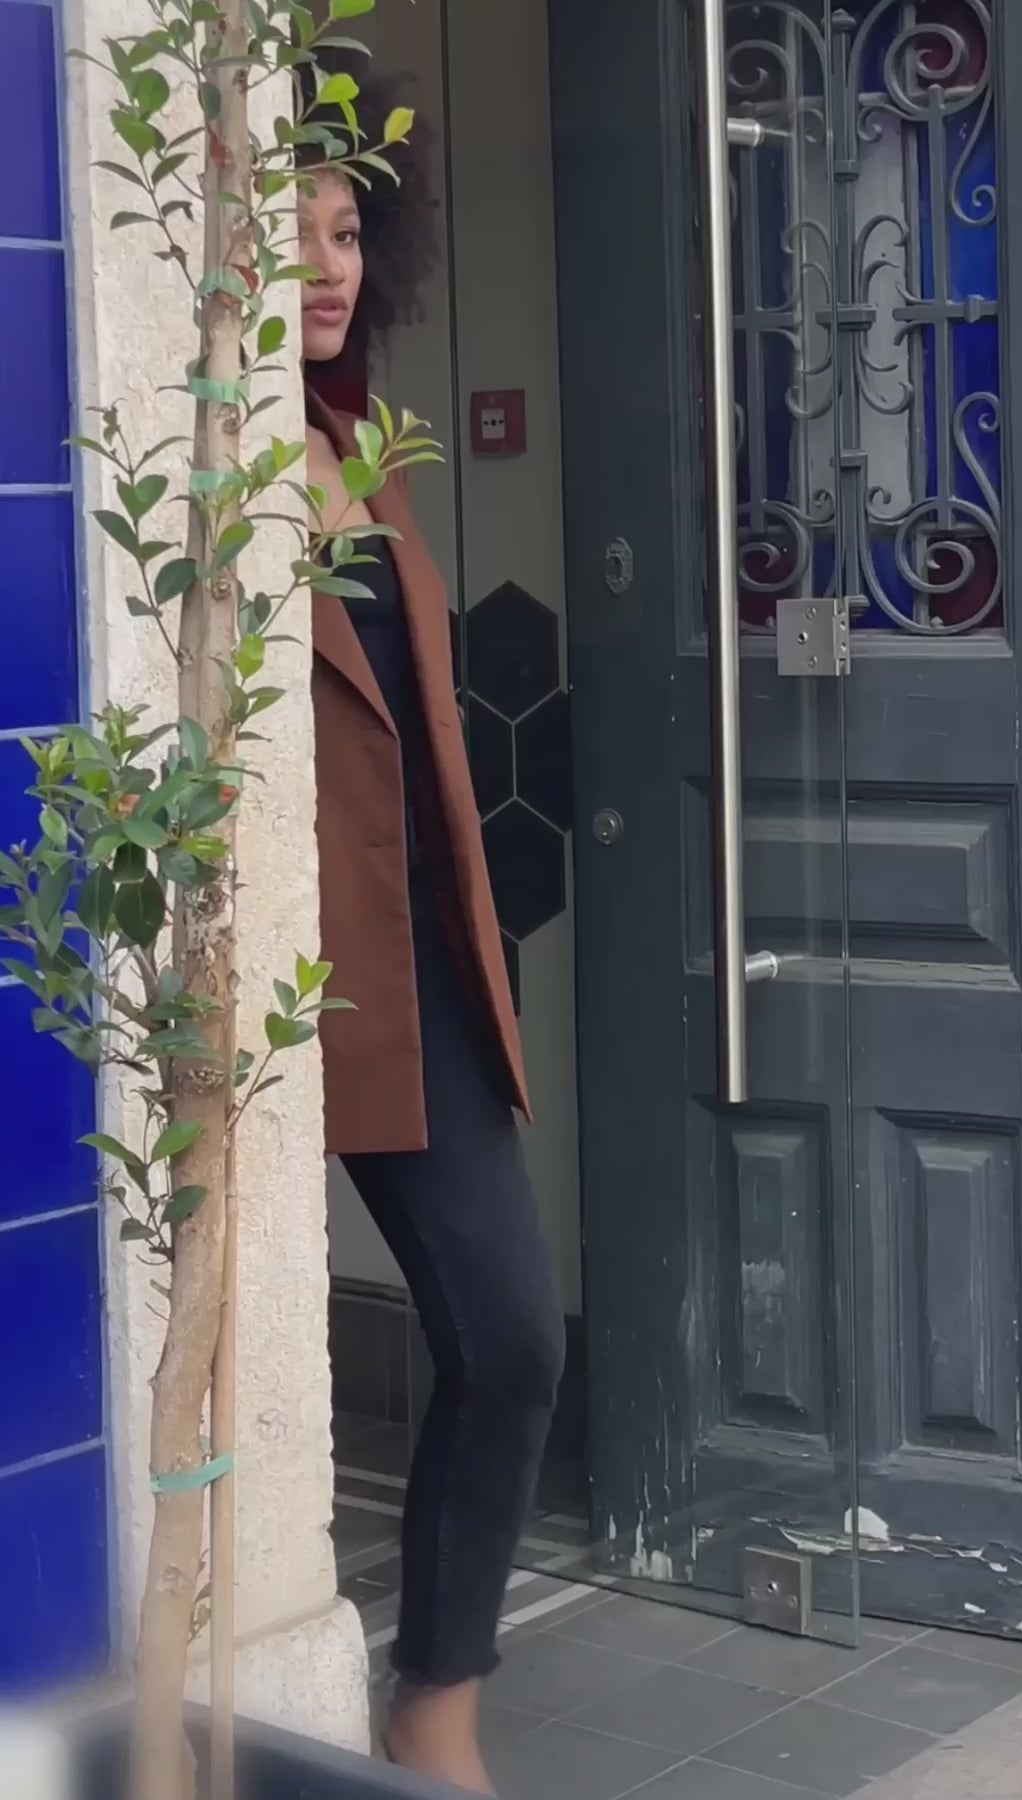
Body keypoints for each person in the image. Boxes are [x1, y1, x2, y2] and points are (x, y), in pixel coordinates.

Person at [299, 78, 564, 1796]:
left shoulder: (358, 444)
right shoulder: (205, 466)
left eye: (346, 233)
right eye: (292, 238)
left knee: (515, 1334)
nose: (327, 267)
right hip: (273, 979)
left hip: (418, 971)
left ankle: (434, 1707)